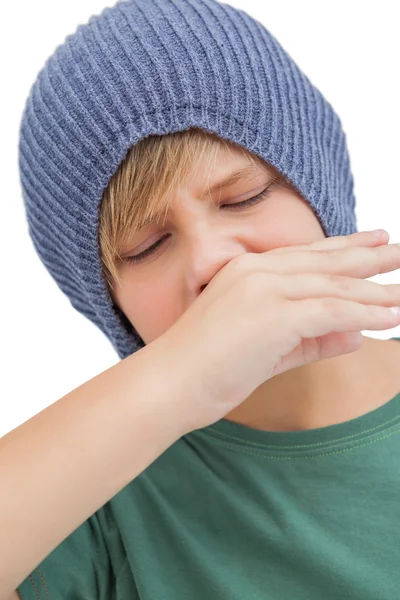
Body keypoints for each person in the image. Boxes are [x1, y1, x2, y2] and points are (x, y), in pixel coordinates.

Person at [2, 0, 400, 598]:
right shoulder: (93, 505)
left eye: (244, 198)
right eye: (147, 246)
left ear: (322, 195)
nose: (215, 260)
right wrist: (177, 381)